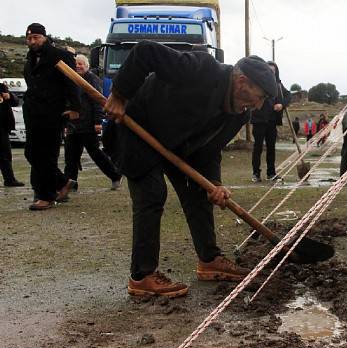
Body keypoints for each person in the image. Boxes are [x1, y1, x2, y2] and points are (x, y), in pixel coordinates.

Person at [103, 40, 277, 298]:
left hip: (178, 147)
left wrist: (214, 183)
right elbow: (145, 51)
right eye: (260, 96)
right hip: (137, 127)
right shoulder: (201, 68)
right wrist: (120, 95)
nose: (259, 105)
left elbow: (210, 149)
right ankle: (142, 276)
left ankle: (209, 259)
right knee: (152, 194)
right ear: (242, 82)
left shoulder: (238, 114)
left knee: (199, 193)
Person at [22, 23, 80, 210]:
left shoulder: (60, 55)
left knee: (46, 155)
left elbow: (73, 83)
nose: (32, 41)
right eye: (29, 38)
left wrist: (74, 108)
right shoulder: (29, 59)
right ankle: (62, 183)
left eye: (36, 37)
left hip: (53, 112)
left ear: (44, 37)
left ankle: (46, 196)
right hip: (33, 113)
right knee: (31, 152)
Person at [63, 54, 122, 190]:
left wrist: (97, 122)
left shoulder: (91, 78)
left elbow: (98, 101)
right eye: (76, 64)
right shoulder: (70, 80)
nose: (78, 66)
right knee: (70, 156)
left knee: (95, 153)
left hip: (88, 124)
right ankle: (71, 184)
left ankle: (115, 175)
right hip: (73, 125)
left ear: (87, 66)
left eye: (81, 64)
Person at [250, 61, 291, 182]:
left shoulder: (278, 85)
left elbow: (288, 96)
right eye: (269, 70)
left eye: (273, 71)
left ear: (276, 72)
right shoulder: (257, 83)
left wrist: (281, 104)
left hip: (272, 121)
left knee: (271, 148)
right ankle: (256, 174)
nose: (271, 73)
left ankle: (271, 173)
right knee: (257, 148)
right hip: (259, 120)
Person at [0, 82, 25, 187]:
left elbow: (15, 101)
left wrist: (9, 96)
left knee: (5, 154)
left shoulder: (1, 87)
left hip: (2, 127)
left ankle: (9, 179)